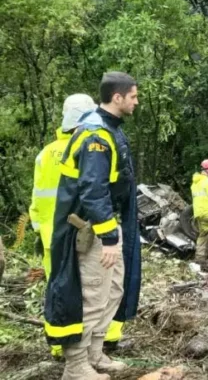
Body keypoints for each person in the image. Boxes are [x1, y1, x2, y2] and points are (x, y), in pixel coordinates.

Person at [44, 72, 142, 379]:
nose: (137, 102)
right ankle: (76, 366)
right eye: (134, 96)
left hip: (109, 224)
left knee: (112, 290)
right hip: (93, 230)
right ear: (117, 98)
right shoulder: (95, 136)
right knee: (91, 294)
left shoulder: (110, 129)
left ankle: (95, 354)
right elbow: (92, 189)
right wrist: (110, 237)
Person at [30, 94, 97, 359]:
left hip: (50, 234)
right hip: (80, 233)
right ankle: (90, 344)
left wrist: (39, 229)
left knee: (56, 288)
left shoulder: (45, 154)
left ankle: (58, 346)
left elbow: (36, 198)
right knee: (86, 289)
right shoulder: (87, 148)